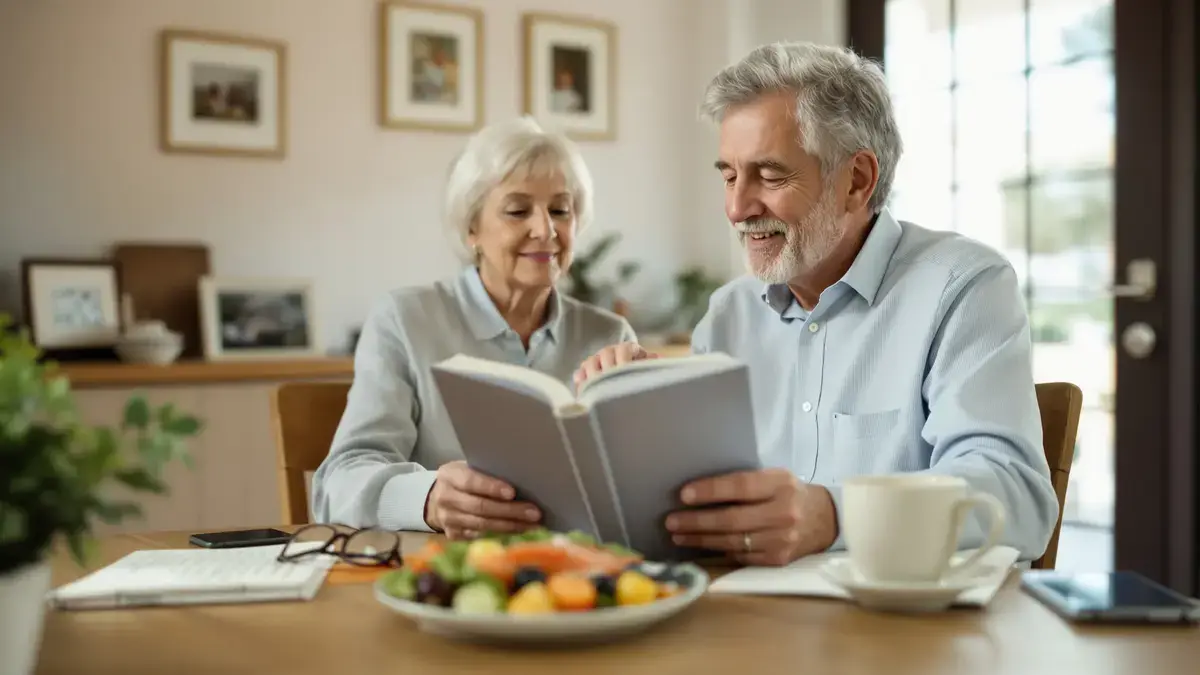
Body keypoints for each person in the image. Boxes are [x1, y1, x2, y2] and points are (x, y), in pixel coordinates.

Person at [573, 42, 1059, 566]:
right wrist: (643, 418)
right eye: (730, 175)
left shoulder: (963, 287)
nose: (737, 208)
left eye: (771, 175)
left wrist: (832, 516)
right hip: (747, 624)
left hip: (905, 634)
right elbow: (697, 508)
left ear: (857, 181)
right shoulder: (728, 313)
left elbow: (1017, 500)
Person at [312, 117, 636, 540]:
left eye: (561, 209)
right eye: (518, 210)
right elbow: (337, 483)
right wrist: (427, 499)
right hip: (446, 578)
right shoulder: (404, 319)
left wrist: (647, 408)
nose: (546, 229)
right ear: (472, 228)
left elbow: (639, 491)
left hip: (578, 580)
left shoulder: (610, 336)